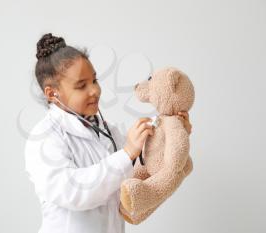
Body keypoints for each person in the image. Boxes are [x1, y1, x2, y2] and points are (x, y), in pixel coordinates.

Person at [24, 33, 192, 233]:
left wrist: (171, 136)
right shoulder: (45, 137)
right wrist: (127, 152)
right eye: (81, 85)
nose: (94, 90)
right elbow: (73, 192)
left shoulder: (108, 131)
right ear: (52, 94)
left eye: (94, 80)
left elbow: (138, 180)